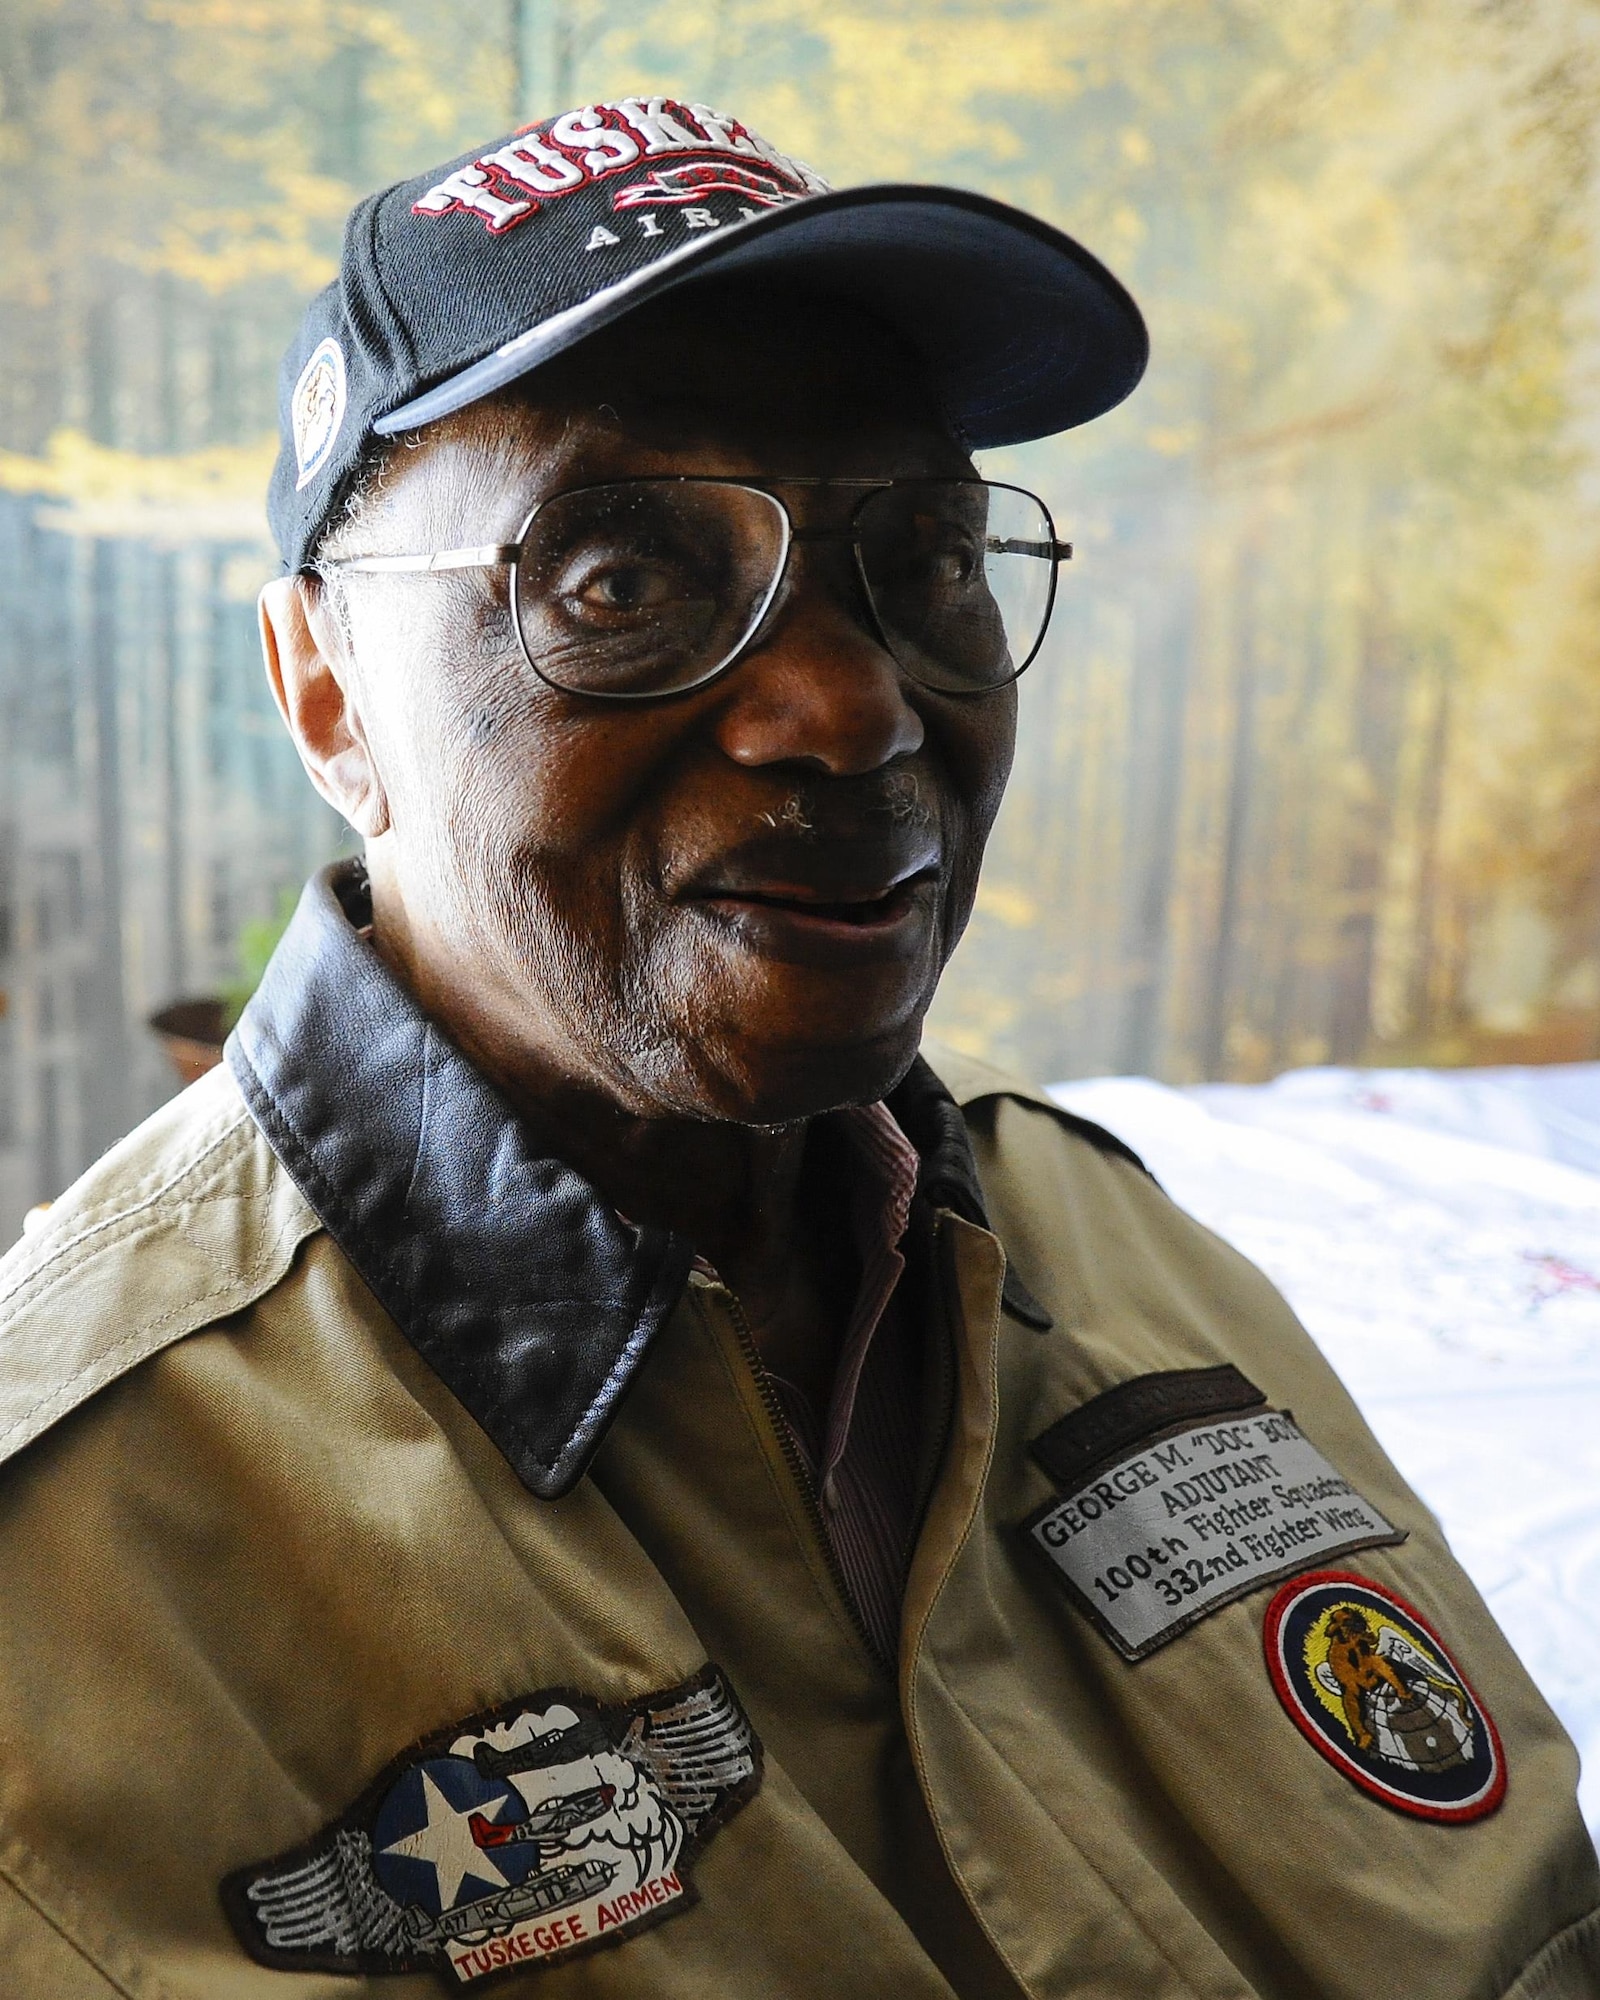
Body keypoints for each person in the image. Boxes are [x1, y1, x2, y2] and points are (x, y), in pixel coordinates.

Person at [0, 95, 1593, 2000]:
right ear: (328, 693)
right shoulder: (77, 1562)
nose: (850, 708)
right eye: (619, 581)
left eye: (921, 557)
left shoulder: (1116, 1251)